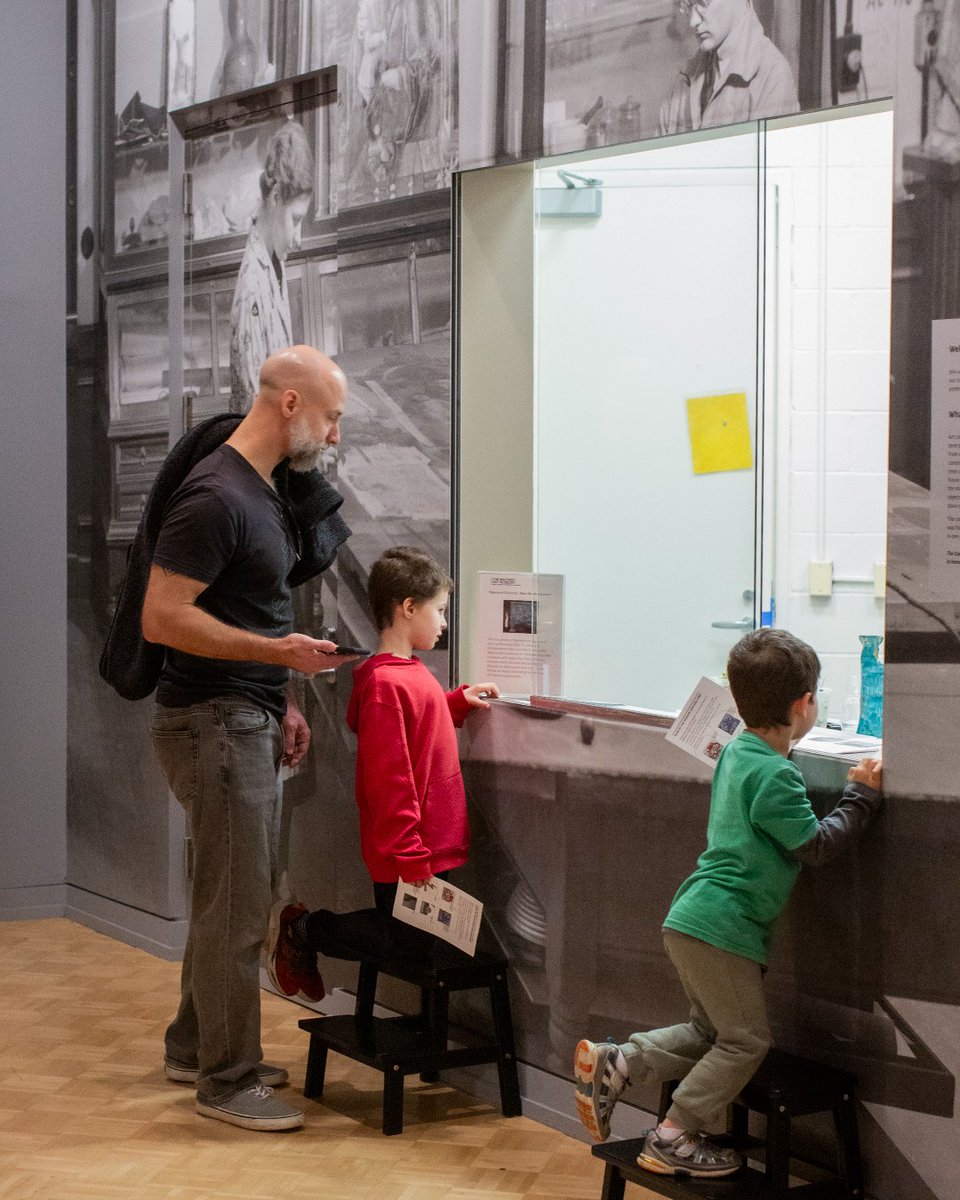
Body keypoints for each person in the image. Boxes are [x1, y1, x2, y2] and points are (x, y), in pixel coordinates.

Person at [142, 344, 358, 1133]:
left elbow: (251, 607)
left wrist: (284, 697)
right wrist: (278, 660)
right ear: (292, 404)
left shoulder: (259, 491)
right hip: (212, 724)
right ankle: (227, 1080)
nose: (333, 437)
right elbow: (164, 617)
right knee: (238, 910)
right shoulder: (215, 496)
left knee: (228, 897)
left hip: (242, 717)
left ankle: (195, 1043)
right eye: (332, 417)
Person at [573, 628, 882, 1178]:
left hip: (693, 919)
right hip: (725, 928)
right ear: (803, 704)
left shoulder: (740, 751)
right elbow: (816, 845)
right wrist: (861, 794)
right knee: (746, 1042)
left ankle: (621, 1060)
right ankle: (672, 1134)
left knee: (708, 1034)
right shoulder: (775, 774)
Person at [266, 545, 499, 997]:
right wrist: (410, 854)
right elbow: (391, 780)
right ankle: (304, 931)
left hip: (427, 847)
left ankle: (306, 934)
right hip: (410, 853)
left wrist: (455, 702)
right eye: (440, 610)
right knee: (406, 943)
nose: (444, 622)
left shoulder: (409, 673)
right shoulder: (386, 684)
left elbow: (420, 728)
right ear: (408, 608)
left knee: (417, 945)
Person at [229, 120, 315, 414]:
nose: (298, 238)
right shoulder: (253, 286)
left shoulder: (276, 262)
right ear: (276, 197)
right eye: (296, 220)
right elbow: (255, 419)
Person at [658, 0, 799, 136]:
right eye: (688, 5)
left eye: (703, 2)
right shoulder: (686, 77)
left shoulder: (772, 77)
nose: (693, 22)